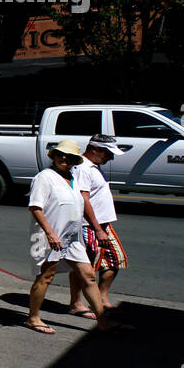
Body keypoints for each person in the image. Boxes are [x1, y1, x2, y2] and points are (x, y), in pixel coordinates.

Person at [25, 139, 107, 334]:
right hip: (51, 236)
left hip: (72, 237)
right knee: (46, 276)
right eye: (61, 154)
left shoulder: (73, 178)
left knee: (88, 276)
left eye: (69, 156)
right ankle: (33, 318)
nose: (64, 158)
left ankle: (104, 322)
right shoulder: (45, 177)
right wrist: (50, 233)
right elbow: (35, 207)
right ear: (53, 156)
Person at [68, 134, 129, 319]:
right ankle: (76, 303)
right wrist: (97, 229)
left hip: (102, 224)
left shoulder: (94, 167)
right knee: (84, 268)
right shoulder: (82, 168)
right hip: (90, 226)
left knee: (114, 260)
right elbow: (84, 200)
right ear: (94, 149)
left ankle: (101, 296)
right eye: (108, 153)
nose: (110, 158)